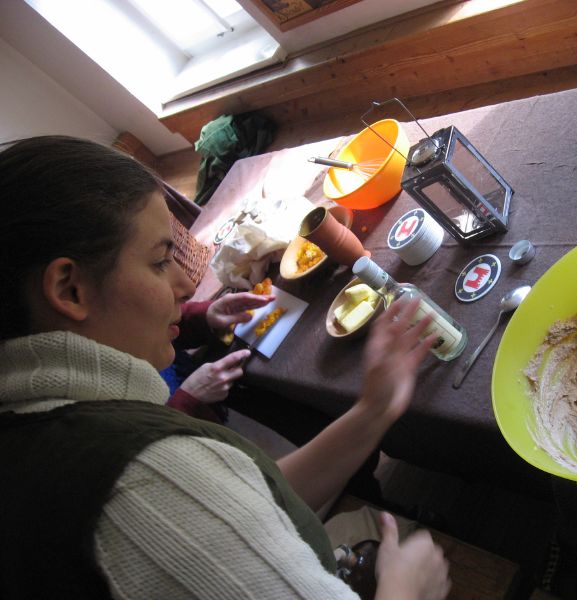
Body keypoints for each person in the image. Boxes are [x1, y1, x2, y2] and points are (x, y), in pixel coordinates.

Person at [0, 135, 451, 600]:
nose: (184, 283)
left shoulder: (36, 424)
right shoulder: (147, 479)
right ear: (70, 290)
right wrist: (406, 590)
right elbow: (189, 500)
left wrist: (375, 407)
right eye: (158, 262)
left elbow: (254, 501)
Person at [164, 292, 269, 423]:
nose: (190, 288)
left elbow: (160, 328)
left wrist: (204, 316)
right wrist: (186, 401)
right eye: (159, 270)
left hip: (193, 375)